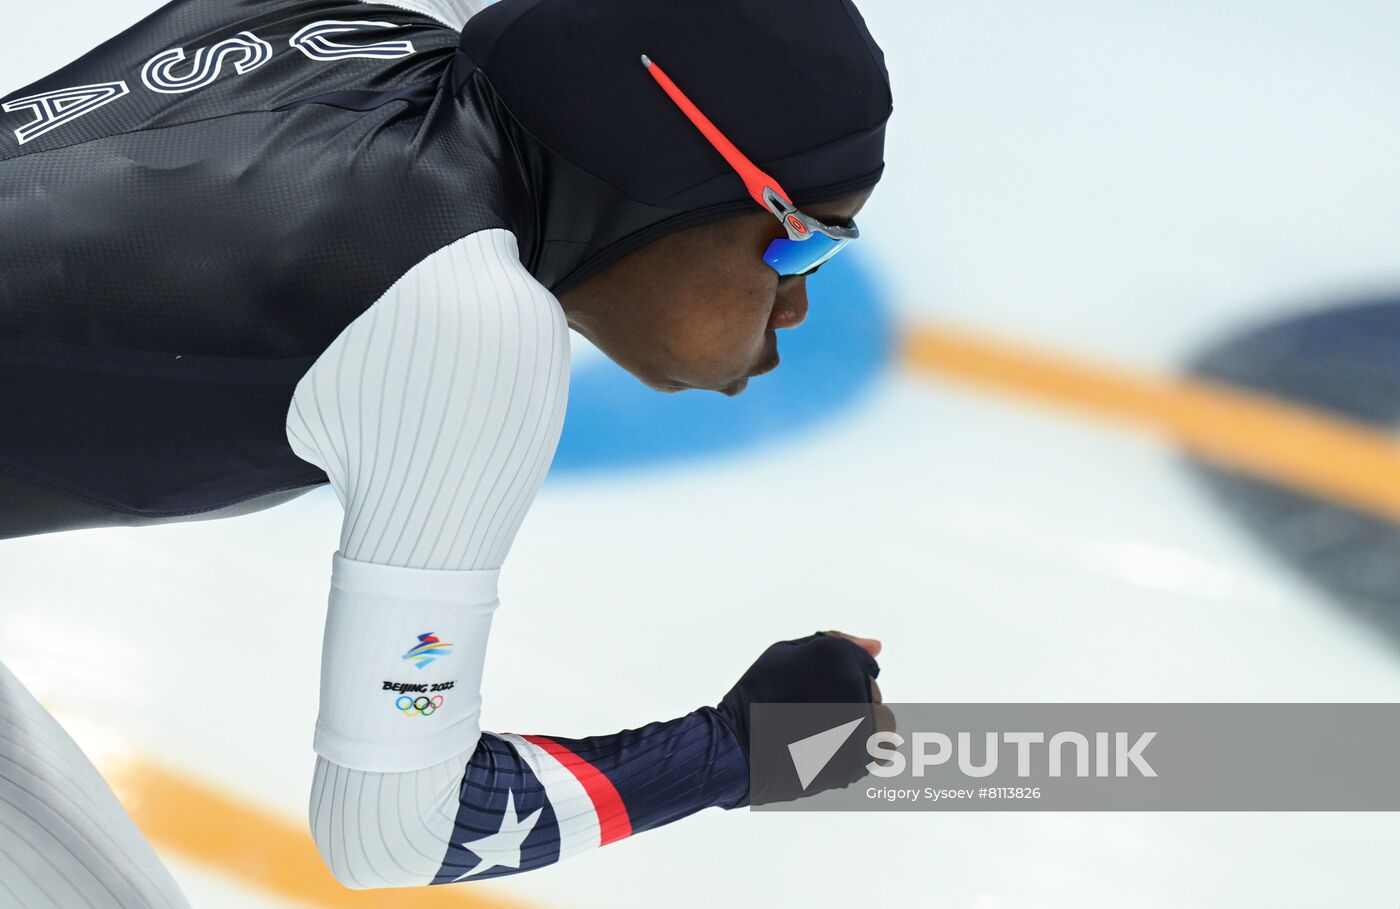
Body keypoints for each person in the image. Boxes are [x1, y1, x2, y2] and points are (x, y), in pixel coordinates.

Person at [0, 0, 894, 902]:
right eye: (803, 245)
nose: (797, 307)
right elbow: (397, 830)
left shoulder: (391, 22)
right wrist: (736, 749)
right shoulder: (464, 317)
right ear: (674, 171)